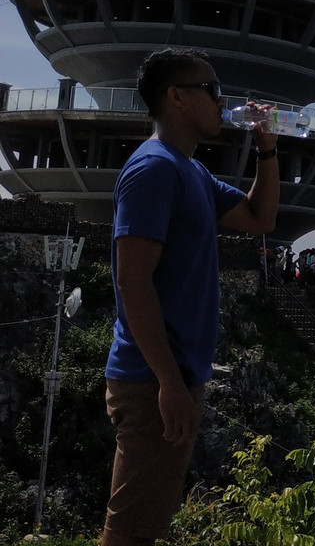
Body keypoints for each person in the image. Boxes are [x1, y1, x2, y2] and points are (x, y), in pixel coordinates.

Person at [102, 48, 279, 546]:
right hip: (152, 380)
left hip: (172, 376)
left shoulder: (190, 171)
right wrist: (168, 383)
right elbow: (130, 280)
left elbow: (258, 219)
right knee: (133, 528)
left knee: (149, 520)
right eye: (212, 90)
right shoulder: (154, 170)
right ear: (177, 97)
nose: (223, 103)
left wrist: (266, 150)